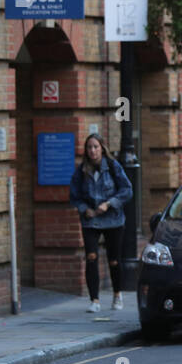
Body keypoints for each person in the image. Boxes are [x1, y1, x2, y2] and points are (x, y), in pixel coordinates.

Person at [69, 134, 134, 313]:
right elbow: (74, 196)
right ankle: (94, 300)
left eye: (96, 147)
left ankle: (117, 295)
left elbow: (127, 190)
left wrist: (109, 203)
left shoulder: (113, 166)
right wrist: (84, 209)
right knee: (91, 258)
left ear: (102, 148)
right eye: (89, 147)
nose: (93, 151)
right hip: (91, 220)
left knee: (114, 260)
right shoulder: (81, 170)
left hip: (113, 220)